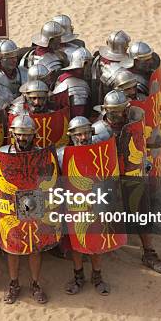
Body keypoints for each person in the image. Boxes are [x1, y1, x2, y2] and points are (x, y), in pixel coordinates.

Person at [92, 90, 161, 274]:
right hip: (109, 180)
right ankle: (98, 264)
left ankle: (149, 252)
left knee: (142, 213)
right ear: (106, 110)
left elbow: (139, 146)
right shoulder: (98, 130)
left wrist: (145, 163)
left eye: (121, 110)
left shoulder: (134, 124)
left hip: (132, 175)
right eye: (114, 111)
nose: (118, 115)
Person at [56, 117, 120, 295]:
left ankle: (97, 276)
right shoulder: (63, 155)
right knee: (76, 243)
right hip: (74, 206)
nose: (83, 137)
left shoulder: (101, 152)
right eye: (79, 134)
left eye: (86, 133)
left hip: (96, 204)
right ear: (72, 136)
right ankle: (78, 276)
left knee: (96, 240)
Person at [0, 115, 51, 304]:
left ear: (33, 135)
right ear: (12, 134)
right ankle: (14, 283)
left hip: (35, 204)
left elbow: (48, 182)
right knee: (13, 246)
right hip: (11, 206)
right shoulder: (3, 153)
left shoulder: (41, 155)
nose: (22, 138)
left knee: (34, 247)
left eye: (26, 134)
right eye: (19, 134)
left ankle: (35, 284)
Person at [53, 47, 93, 117]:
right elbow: (78, 113)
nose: (90, 67)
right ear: (84, 64)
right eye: (89, 64)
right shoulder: (81, 85)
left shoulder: (61, 77)